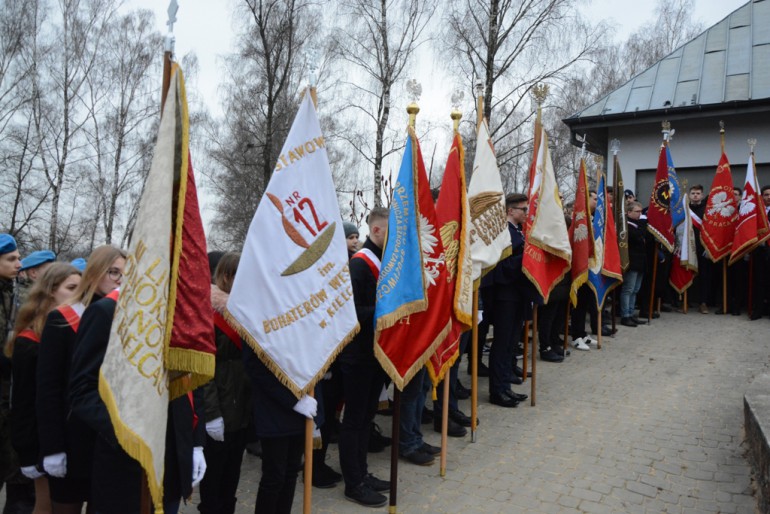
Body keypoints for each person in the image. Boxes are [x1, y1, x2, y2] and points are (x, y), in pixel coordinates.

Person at [68, 290, 206, 514]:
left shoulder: (181, 312)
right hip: (125, 462)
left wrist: (196, 442)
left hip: (171, 459)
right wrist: (129, 431)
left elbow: (192, 379)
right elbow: (83, 389)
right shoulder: (106, 312)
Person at [36, 245, 125, 513]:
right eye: (113, 272)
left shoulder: (120, 316)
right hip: (70, 436)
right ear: (95, 272)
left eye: (125, 274)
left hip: (106, 436)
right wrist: (52, 447)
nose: (119, 280)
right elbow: (48, 388)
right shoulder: (62, 317)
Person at [8, 263, 81, 514]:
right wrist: (28, 453)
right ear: (50, 291)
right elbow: (23, 402)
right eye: (71, 288)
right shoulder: (30, 340)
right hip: (42, 437)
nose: (78, 294)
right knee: (46, 505)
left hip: (70, 433)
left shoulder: (79, 327)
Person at [336, 207, 390, 507]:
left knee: (367, 417)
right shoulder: (359, 265)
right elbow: (350, 313)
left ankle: (363, 473)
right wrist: (387, 310)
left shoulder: (383, 260)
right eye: (391, 230)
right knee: (354, 420)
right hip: (357, 355)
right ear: (377, 230)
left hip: (375, 352)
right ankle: (353, 483)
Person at [198, 253, 252, 514]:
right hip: (219, 403)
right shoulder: (210, 309)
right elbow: (204, 367)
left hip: (242, 403)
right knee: (215, 472)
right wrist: (211, 414)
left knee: (233, 468)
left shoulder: (247, 308)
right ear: (227, 276)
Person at [480, 194, 531, 408]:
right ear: (511, 210)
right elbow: (500, 268)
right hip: (504, 296)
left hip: (517, 294)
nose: (526, 213)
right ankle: (497, 390)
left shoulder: (517, 231)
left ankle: (505, 386)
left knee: (511, 342)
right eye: (523, 209)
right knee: (501, 343)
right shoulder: (502, 233)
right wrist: (528, 256)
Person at [0, 234, 35, 514]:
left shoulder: (18, 293)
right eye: (11, 259)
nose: (18, 263)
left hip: (11, 397)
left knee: (18, 478)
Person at [620, 201, 646, 327]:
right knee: (628, 289)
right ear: (629, 212)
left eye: (641, 212)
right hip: (631, 261)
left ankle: (631, 313)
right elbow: (636, 236)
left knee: (635, 289)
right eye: (637, 211)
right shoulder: (627, 225)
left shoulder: (638, 224)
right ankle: (625, 315)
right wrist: (642, 224)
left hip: (640, 262)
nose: (640, 214)